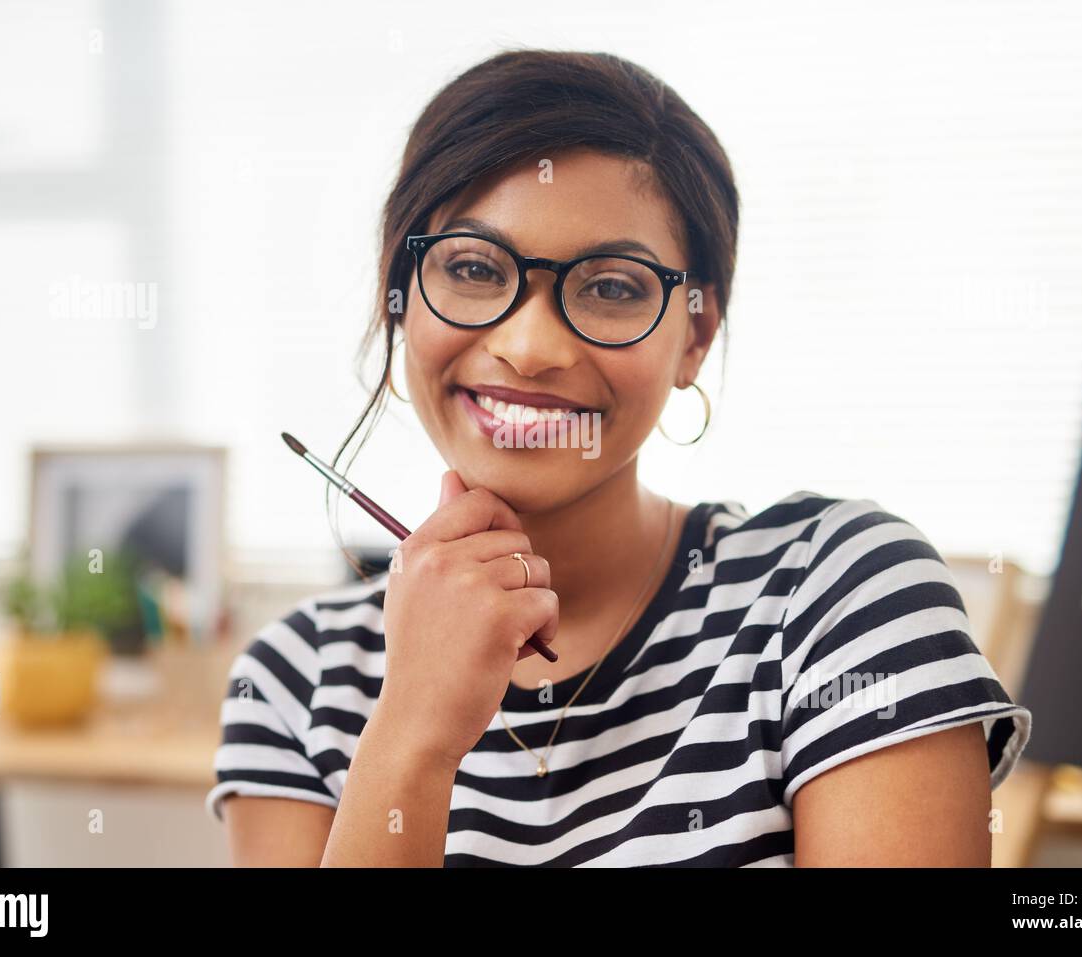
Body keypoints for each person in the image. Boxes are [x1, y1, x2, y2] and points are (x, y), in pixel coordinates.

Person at [206, 48, 1031, 866]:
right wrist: (412, 735)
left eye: (610, 286)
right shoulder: (293, 684)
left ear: (695, 337)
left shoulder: (841, 598)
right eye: (471, 267)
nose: (528, 348)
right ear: (400, 293)